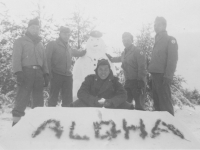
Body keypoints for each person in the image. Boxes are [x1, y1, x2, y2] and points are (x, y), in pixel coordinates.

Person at [12, 18, 49, 126]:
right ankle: (16, 123)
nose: (35, 30)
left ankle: (36, 125)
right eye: (33, 27)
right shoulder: (20, 41)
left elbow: (44, 60)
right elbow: (16, 58)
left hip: (38, 74)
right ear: (28, 28)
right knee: (22, 98)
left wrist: (46, 74)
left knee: (38, 100)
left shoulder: (40, 44)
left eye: (37, 28)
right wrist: (18, 72)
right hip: (26, 72)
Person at [46, 26, 86, 107]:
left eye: (68, 34)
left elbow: (77, 52)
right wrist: (48, 74)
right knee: (53, 99)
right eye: (64, 34)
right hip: (56, 74)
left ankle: (66, 118)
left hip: (67, 76)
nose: (67, 36)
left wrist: (87, 51)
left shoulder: (68, 47)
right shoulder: (53, 44)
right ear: (60, 34)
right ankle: (49, 117)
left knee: (68, 101)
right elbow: (47, 59)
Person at [106, 32, 146, 110]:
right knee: (125, 105)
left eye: (127, 40)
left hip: (137, 82)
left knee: (139, 107)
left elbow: (142, 67)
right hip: (128, 83)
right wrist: (110, 58)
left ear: (132, 40)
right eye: (124, 40)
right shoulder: (124, 53)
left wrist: (140, 81)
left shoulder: (137, 51)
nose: (125, 42)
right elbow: (119, 58)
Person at [148, 17, 178, 116]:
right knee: (157, 105)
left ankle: (171, 129)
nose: (154, 26)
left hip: (162, 77)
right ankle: (160, 129)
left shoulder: (170, 39)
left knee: (165, 106)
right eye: (154, 24)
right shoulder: (157, 39)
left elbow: (172, 60)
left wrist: (168, 76)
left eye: (156, 24)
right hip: (155, 77)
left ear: (162, 25)